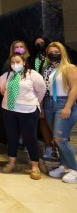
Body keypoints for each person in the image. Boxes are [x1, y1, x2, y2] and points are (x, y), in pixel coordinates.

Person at [0, 53, 46, 180]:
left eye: (18, 61)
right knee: (12, 137)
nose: (15, 64)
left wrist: (35, 102)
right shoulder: (6, 76)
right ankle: (11, 163)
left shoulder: (33, 75)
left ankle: (35, 167)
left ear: (24, 62)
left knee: (30, 138)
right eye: (12, 62)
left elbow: (41, 90)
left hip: (28, 111)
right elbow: (2, 91)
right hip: (9, 110)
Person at [42, 42, 77, 183]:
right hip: (49, 103)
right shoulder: (48, 69)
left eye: (56, 51)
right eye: (50, 51)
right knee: (57, 139)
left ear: (62, 52)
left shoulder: (70, 68)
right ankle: (65, 165)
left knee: (60, 138)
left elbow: (74, 88)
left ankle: (74, 169)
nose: (53, 53)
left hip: (63, 103)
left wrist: (68, 106)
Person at [29, 36, 55, 159]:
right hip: (38, 93)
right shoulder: (33, 58)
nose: (39, 44)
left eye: (42, 42)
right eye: (37, 43)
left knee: (55, 123)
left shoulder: (53, 61)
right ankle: (49, 146)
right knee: (43, 120)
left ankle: (57, 147)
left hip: (53, 94)